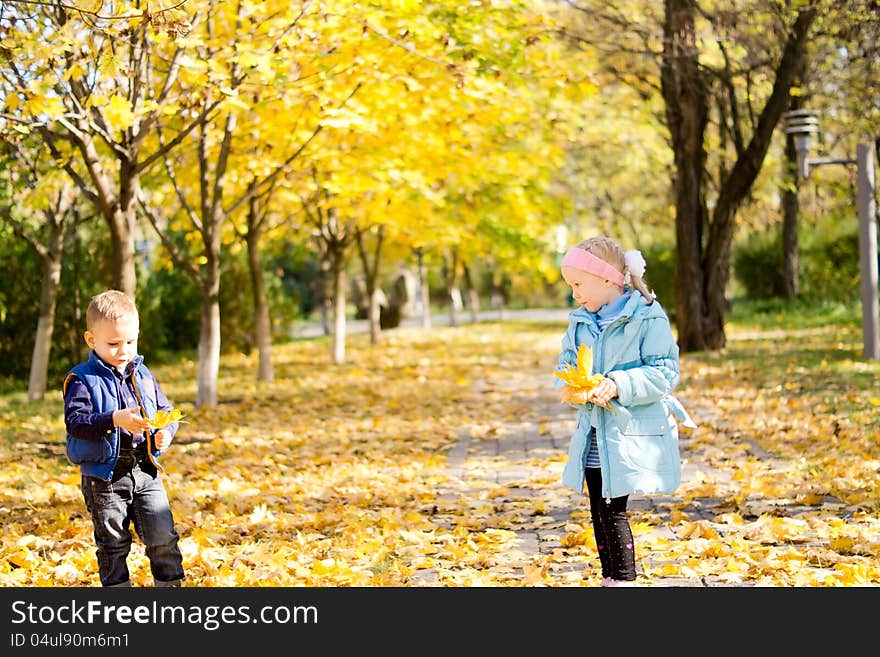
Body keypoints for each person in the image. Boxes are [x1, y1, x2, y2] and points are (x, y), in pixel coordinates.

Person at [553, 236, 695, 587]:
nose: (574, 294)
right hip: (593, 434)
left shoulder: (646, 317)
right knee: (598, 511)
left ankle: (624, 580)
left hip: (627, 433)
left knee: (614, 510)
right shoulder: (581, 322)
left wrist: (619, 384)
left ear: (606, 279)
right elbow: (566, 363)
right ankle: (609, 577)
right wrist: (576, 387)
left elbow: (664, 371)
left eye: (577, 284)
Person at [62, 290, 185, 587]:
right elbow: (76, 423)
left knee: (163, 537)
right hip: (104, 478)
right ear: (91, 340)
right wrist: (115, 419)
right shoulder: (81, 379)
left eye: (130, 342)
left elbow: (166, 410)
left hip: (146, 471)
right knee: (113, 544)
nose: (124, 351)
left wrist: (165, 433)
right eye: (114, 344)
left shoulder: (142, 373)